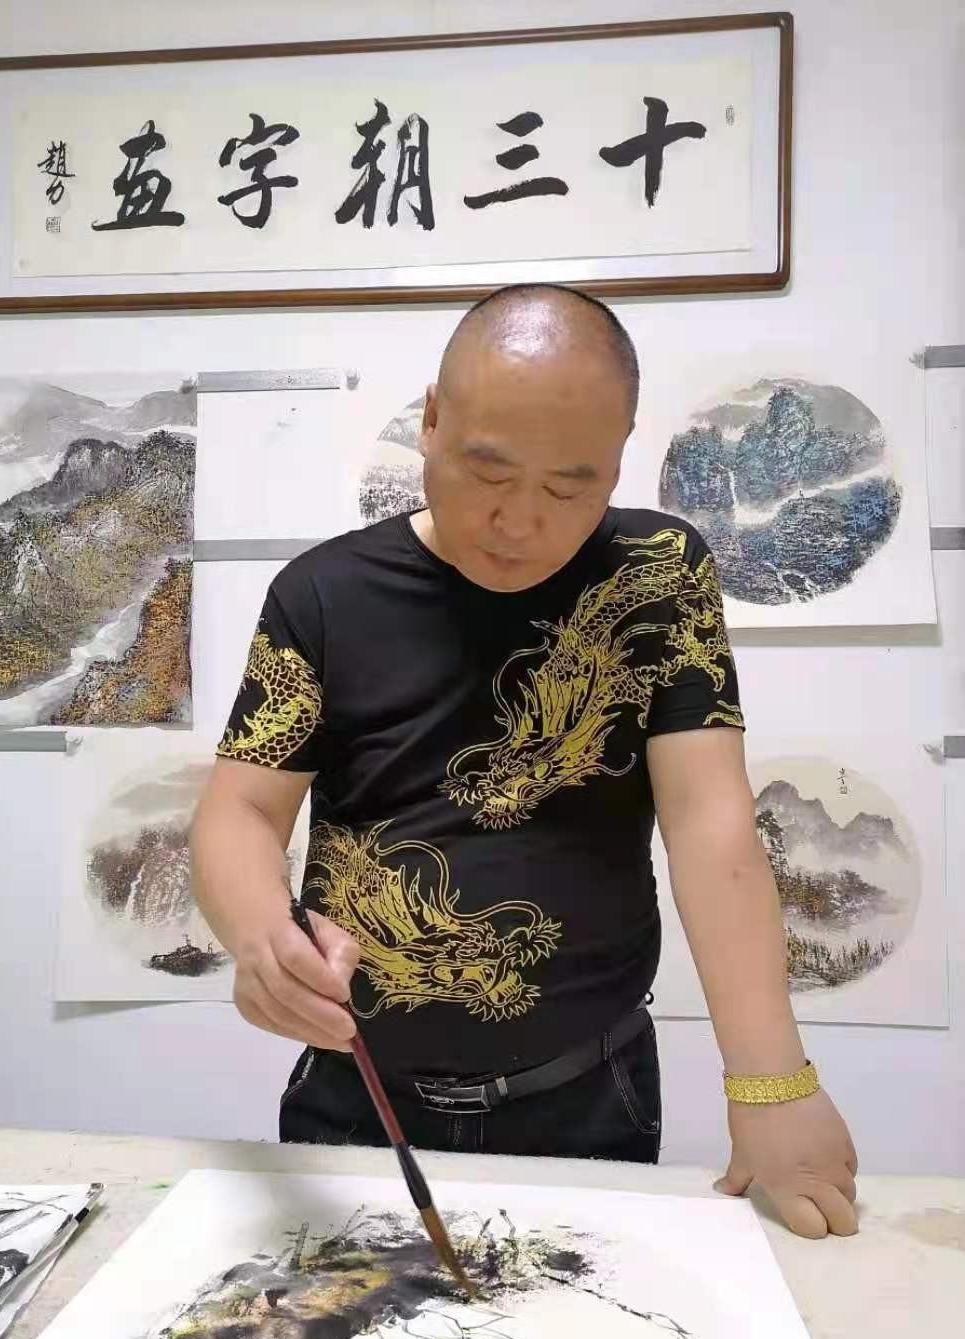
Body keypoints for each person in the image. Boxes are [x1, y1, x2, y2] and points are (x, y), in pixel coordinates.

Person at [191, 283, 859, 1240]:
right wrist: (262, 935)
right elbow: (242, 810)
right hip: (359, 1092)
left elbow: (709, 824)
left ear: (619, 458)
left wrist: (771, 1082)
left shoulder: (657, 573)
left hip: (589, 1091)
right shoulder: (324, 595)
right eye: (487, 470)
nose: (517, 523)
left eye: (568, 488)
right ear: (430, 421)